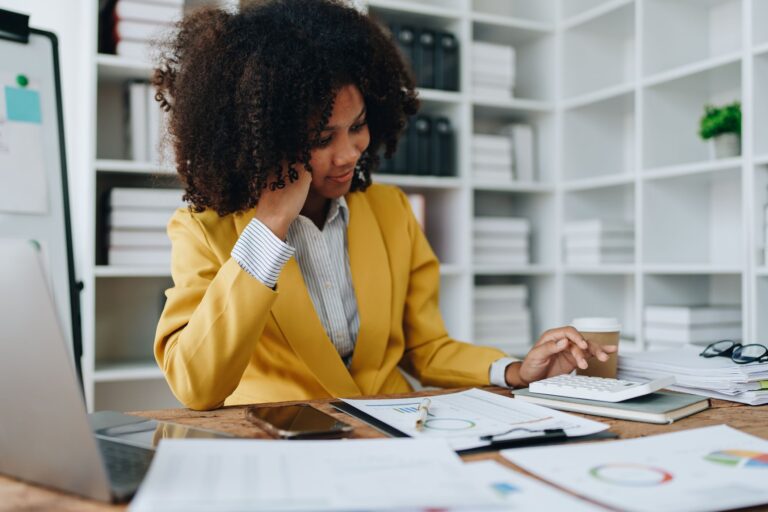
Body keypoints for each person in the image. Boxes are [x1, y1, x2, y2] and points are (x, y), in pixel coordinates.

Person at [153, 0, 616, 411]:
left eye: (358, 125)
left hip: (397, 433)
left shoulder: (389, 209)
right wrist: (271, 225)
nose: (351, 152)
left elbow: (428, 349)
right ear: (264, 137)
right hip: (285, 446)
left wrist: (515, 371)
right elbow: (197, 386)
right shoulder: (204, 229)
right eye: (321, 138)